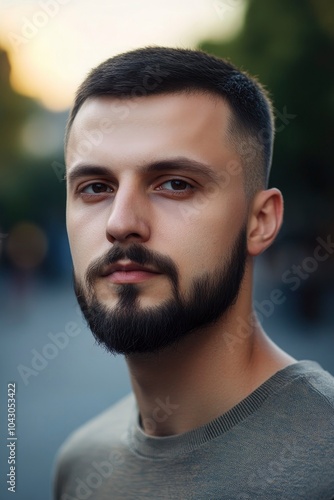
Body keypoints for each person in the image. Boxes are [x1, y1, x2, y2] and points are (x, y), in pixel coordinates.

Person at [53, 46, 334, 499]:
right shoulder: (79, 465)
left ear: (260, 221)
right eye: (96, 187)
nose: (120, 222)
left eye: (175, 184)